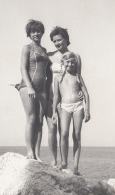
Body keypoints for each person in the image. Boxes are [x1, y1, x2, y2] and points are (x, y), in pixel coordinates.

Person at [46, 26, 83, 168]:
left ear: (66, 39)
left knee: (66, 132)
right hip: (53, 96)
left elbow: (78, 77)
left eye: (59, 39)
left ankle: (67, 164)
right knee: (56, 130)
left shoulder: (75, 56)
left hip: (70, 98)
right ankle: (58, 162)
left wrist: (80, 91)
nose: (56, 43)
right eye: (54, 41)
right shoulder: (50, 56)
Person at [16, 19, 51, 160]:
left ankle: (37, 154)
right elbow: (22, 68)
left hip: (42, 90)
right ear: (29, 34)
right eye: (33, 31)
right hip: (27, 87)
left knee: (40, 122)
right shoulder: (27, 48)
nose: (36, 33)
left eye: (39, 30)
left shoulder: (44, 51)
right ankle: (29, 152)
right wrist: (30, 87)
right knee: (31, 119)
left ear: (42, 32)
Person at [52, 52, 90, 175]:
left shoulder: (78, 76)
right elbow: (56, 96)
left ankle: (75, 167)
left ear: (76, 64)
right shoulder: (58, 78)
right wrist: (53, 112)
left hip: (78, 107)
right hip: (65, 107)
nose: (70, 64)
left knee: (77, 134)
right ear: (63, 63)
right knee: (63, 134)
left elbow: (86, 94)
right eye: (68, 62)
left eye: (73, 62)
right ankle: (64, 163)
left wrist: (87, 110)